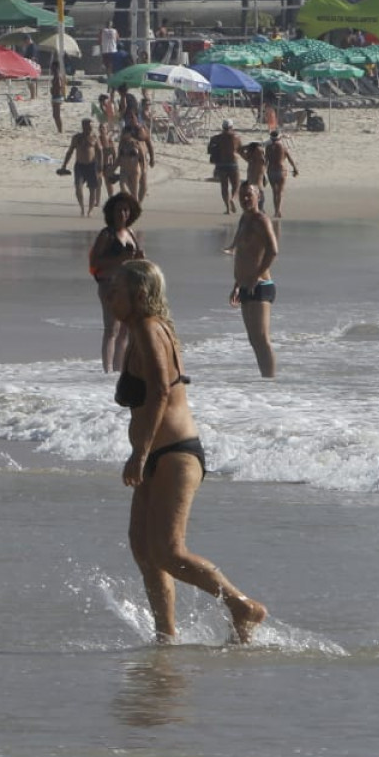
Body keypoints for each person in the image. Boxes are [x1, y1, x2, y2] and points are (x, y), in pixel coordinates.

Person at [112, 258, 267, 645]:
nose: (108, 294)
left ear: (140, 294)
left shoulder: (149, 328)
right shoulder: (141, 329)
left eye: (116, 289)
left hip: (175, 455)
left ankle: (241, 605)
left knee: (168, 550)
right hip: (158, 456)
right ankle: (165, 637)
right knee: (145, 550)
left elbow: (161, 391)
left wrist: (141, 452)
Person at [226, 182, 279, 378]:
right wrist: (237, 285)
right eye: (242, 195)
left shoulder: (261, 220)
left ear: (259, 196)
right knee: (253, 339)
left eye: (249, 195)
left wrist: (256, 275)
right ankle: (265, 379)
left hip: (261, 286)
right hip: (245, 286)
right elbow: (243, 255)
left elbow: (273, 250)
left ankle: (270, 382)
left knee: (262, 338)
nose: (245, 199)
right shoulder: (244, 219)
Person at [88, 192, 146, 372]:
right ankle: (106, 371)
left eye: (126, 210)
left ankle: (119, 370)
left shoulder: (130, 233)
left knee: (125, 330)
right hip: (109, 285)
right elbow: (95, 262)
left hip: (128, 286)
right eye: (119, 210)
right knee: (111, 329)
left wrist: (139, 259)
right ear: (112, 212)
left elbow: (135, 259)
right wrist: (120, 258)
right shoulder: (107, 234)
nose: (123, 214)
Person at [60, 118, 104, 217]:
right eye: (88, 126)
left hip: (92, 165)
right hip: (80, 166)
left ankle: (90, 210)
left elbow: (100, 151)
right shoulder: (77, 137)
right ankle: (82, 208)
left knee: (93, 189)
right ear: (83, 126)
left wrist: (101, 164)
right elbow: (70, 151)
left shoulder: (94, 137)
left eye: (91, 126)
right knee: (78, 187)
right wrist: (64, 165)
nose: (90, 128)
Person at [207, 120, 241, 214]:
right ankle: (233, 199)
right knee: (236, 185)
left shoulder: (216, 138)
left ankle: (227, 209)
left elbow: (209, 150)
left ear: (222, 127)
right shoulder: (236, 137)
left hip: (221, 164)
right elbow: (240, 150)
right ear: (232, 127)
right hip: (233, 163)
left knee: (224, 187)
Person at [264, 130, 299, 219]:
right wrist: (295, 168)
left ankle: (276, 210)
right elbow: (290, 159)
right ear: (279, 137)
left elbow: (265, 162)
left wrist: (263, 173)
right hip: (281, 171)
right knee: (280, 192)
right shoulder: (283, 147)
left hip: (271, 171)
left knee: (274, 192)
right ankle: (278, 211)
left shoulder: (267, 148)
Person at [115, 124, 149, 203]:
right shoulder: (122, 144)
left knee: (138, 190)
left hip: (136, 170)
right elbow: (119, 158)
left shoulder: (136, 143)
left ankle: (137, 205)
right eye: (122, 133)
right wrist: (112, 169)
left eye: (124, 133)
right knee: (123, 186)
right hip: (124, 170)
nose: (122, 134)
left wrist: (144, 168)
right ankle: (131, 202)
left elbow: (143, 156)